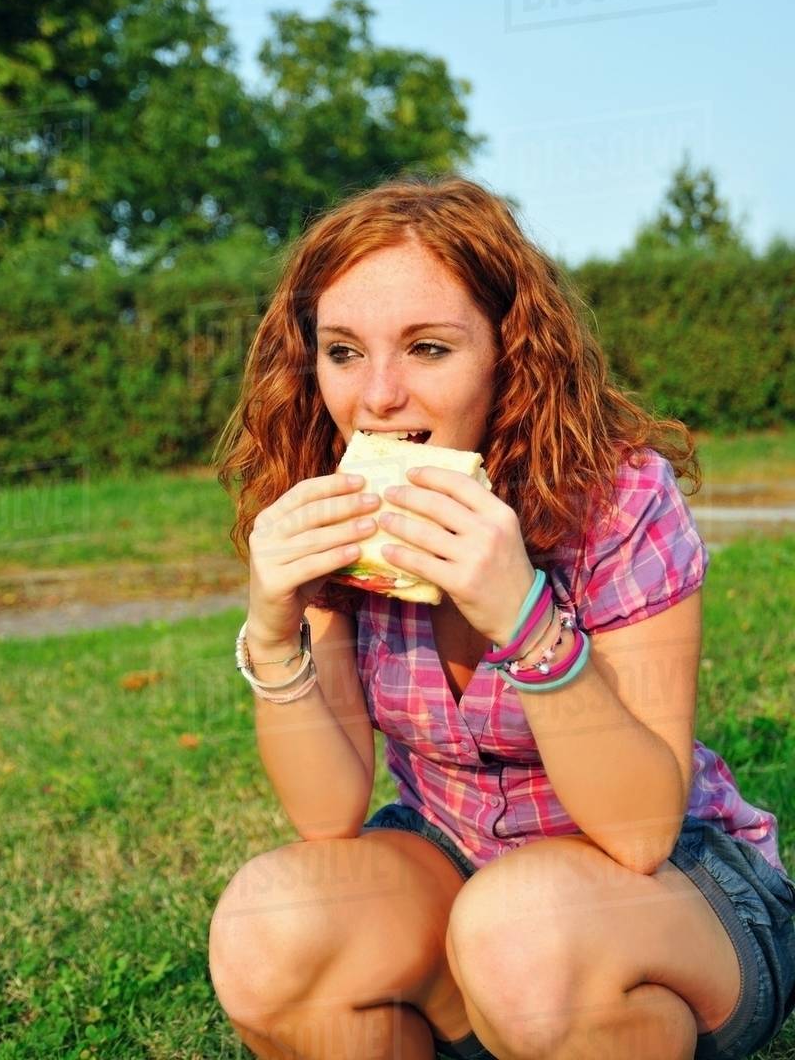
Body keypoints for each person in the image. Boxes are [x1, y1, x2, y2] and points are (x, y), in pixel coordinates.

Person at [208, 174, 795, 1060]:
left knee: (518, 929)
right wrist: (272, 628)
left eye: (429, 349)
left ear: (509, 353)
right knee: (269, 934)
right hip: (451, 861)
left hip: (665, 895)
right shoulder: (332, 503)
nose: (378, 397)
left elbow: (639, 831)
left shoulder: (620, 502)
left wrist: (524, 618)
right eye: (343, 351)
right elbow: (328, 813)